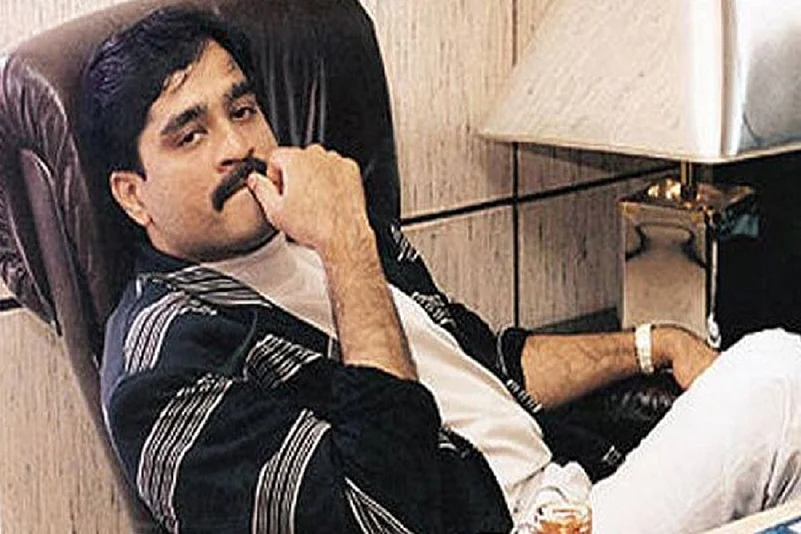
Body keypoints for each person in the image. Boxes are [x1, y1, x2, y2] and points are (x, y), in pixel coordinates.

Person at [81, 6, 801, 534]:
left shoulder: (333, 227)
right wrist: (345, 249)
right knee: (778, 374)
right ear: (131, 194)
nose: (236, 146)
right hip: (506, 522)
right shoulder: (162, 375)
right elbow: (384, 509)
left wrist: (653, 343)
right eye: (190, 135)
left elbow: (487, 363)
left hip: (577, 494)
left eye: (243, 109)